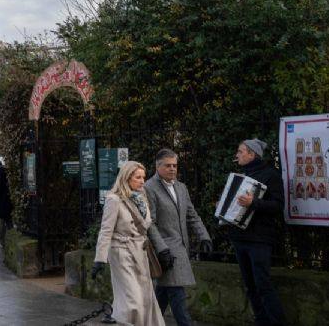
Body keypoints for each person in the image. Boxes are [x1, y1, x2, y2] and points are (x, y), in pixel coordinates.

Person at [92, 161, 166, 326]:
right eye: (137, 177)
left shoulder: (141, 198)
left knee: (145, 300)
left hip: (140, 252)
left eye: (143, 177)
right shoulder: (114, 199)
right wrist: (100, 259)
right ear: (126, 178)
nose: (142, 181)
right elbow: (106, 230)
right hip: (121, 253)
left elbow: (146, 226)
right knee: (132, 302)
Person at [145, 149, 212, 326]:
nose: (172, 169)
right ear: (158, 166)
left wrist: (204, 236)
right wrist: (162, 249)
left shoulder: (181, 187)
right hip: (167, 250)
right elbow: (149, 223)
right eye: (168, 165)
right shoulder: (149, 188)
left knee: (164, 293)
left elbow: (192, 215)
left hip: (182, 247)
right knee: (177, 294)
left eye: (175, 165)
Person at [227, 139, 286, 326]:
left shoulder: (271, 175)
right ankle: (261, 321)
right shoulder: (241, 175)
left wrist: (254, 203)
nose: (237, 155)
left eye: (240, 151)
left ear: (252, 154)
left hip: (259, 239)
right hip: (240, 237)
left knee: (263, 285)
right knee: (250, 286)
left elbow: (278, 206)